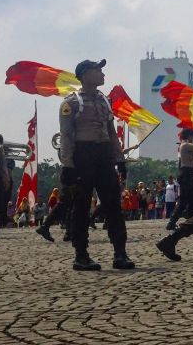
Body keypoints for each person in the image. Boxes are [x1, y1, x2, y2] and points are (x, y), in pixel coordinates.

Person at [59, 58, 134, 270]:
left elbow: (111, 133)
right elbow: (66, 136)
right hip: (83, 154)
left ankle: (120, 252)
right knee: (81, 206)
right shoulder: (71, 103)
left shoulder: (104, 100)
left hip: (103, 155)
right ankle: (81, 255)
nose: (102, 74)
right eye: (97, 70)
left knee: (113, 205)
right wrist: (67, 165)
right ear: (84, 74)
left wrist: (119, 159)